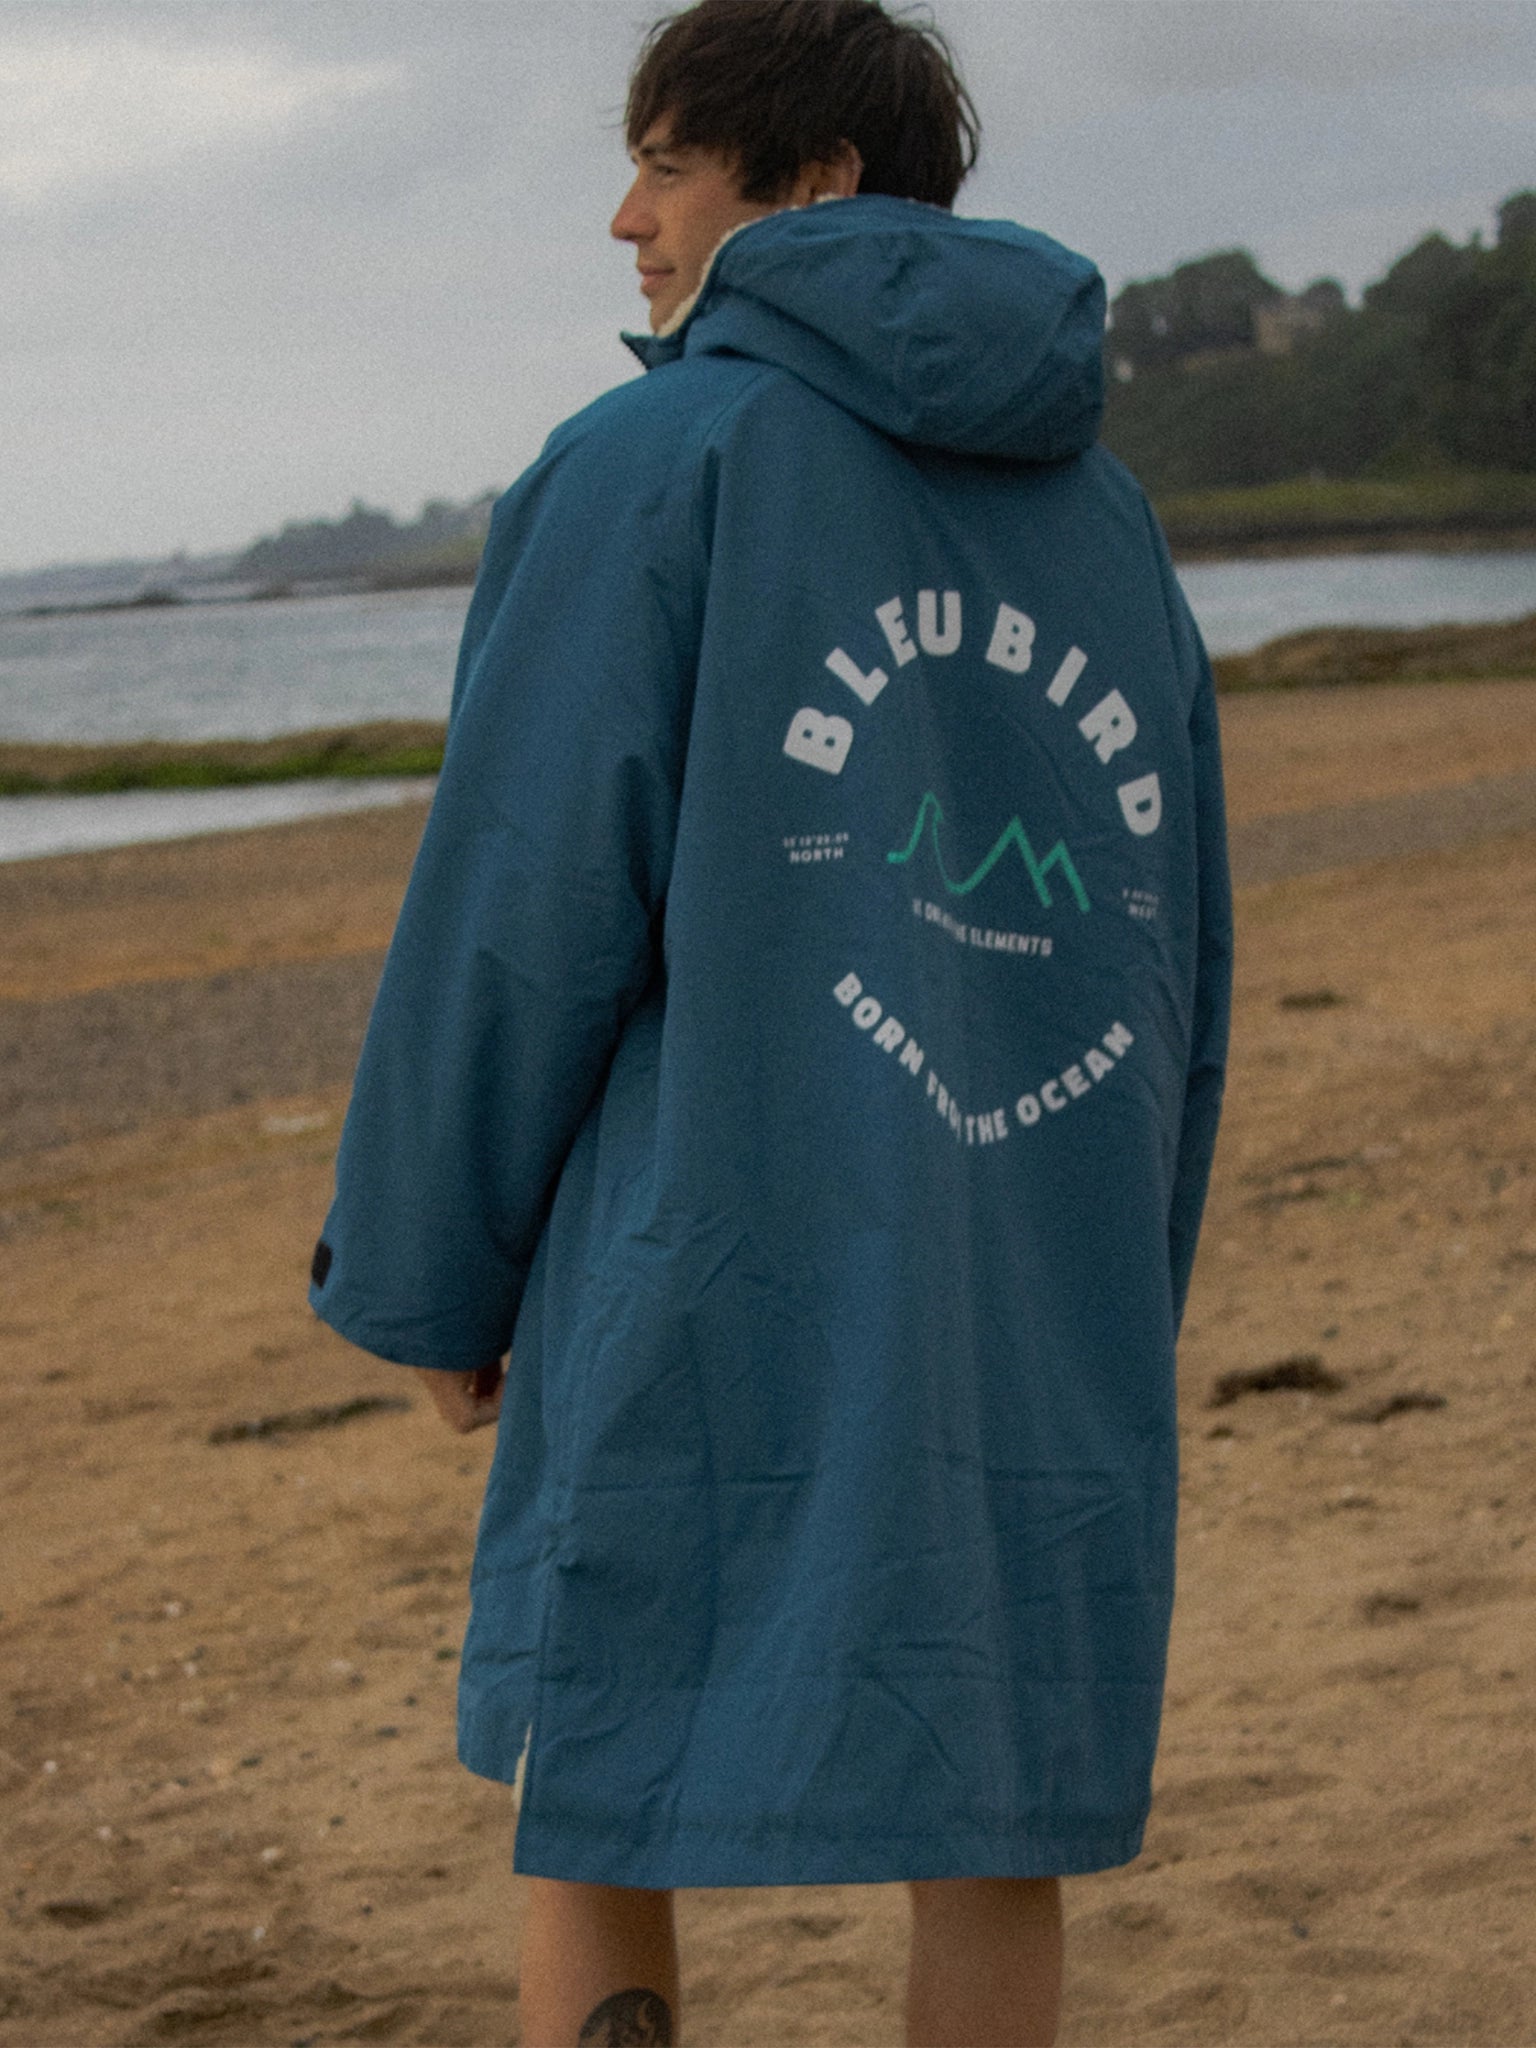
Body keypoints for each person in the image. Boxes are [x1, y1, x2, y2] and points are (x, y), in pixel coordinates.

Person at [309, 0, 1233, 2040]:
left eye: (666, 166)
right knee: (994, 1798)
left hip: (699, 1250)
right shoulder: (1105, 515)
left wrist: (429, 1268)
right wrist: (1116, 1277)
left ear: (813, 184)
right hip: (1022, 1276)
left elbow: (520, 907)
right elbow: (1172, 964)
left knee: (599, 1768)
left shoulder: (645, 463)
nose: (624, 219)